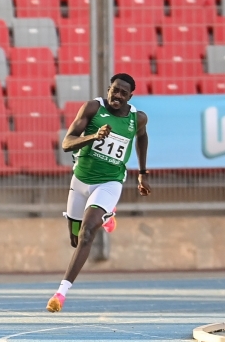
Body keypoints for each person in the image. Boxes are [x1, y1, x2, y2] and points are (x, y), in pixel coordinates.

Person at [47, 73, 151, 313]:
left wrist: (142, 173)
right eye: (115, 90)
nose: (118, 96)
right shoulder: (93, 108)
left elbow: (142, 137)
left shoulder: (138, 118)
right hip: (81, 181)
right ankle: (107, 215)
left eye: (123, 93)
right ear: (108, 89)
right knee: (75, 240)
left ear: (130, 97)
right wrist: (94, 136)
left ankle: (61, 293)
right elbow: (66, 143)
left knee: (87, 233)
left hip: (109, 183)